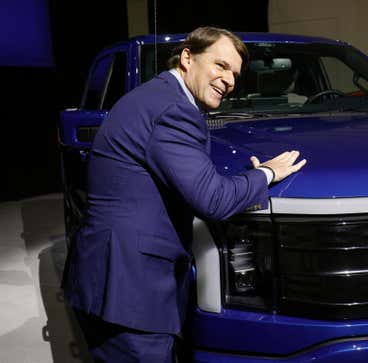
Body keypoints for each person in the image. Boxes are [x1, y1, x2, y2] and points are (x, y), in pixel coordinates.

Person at [62, 26, 307, 363]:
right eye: (221, 66)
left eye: (235, 73)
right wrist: (266, 173)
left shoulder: (155, 96)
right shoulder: (174, 110)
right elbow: (212, 200)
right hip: (131, 292)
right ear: (188, 58)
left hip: (114, 280)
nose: (230, 80)